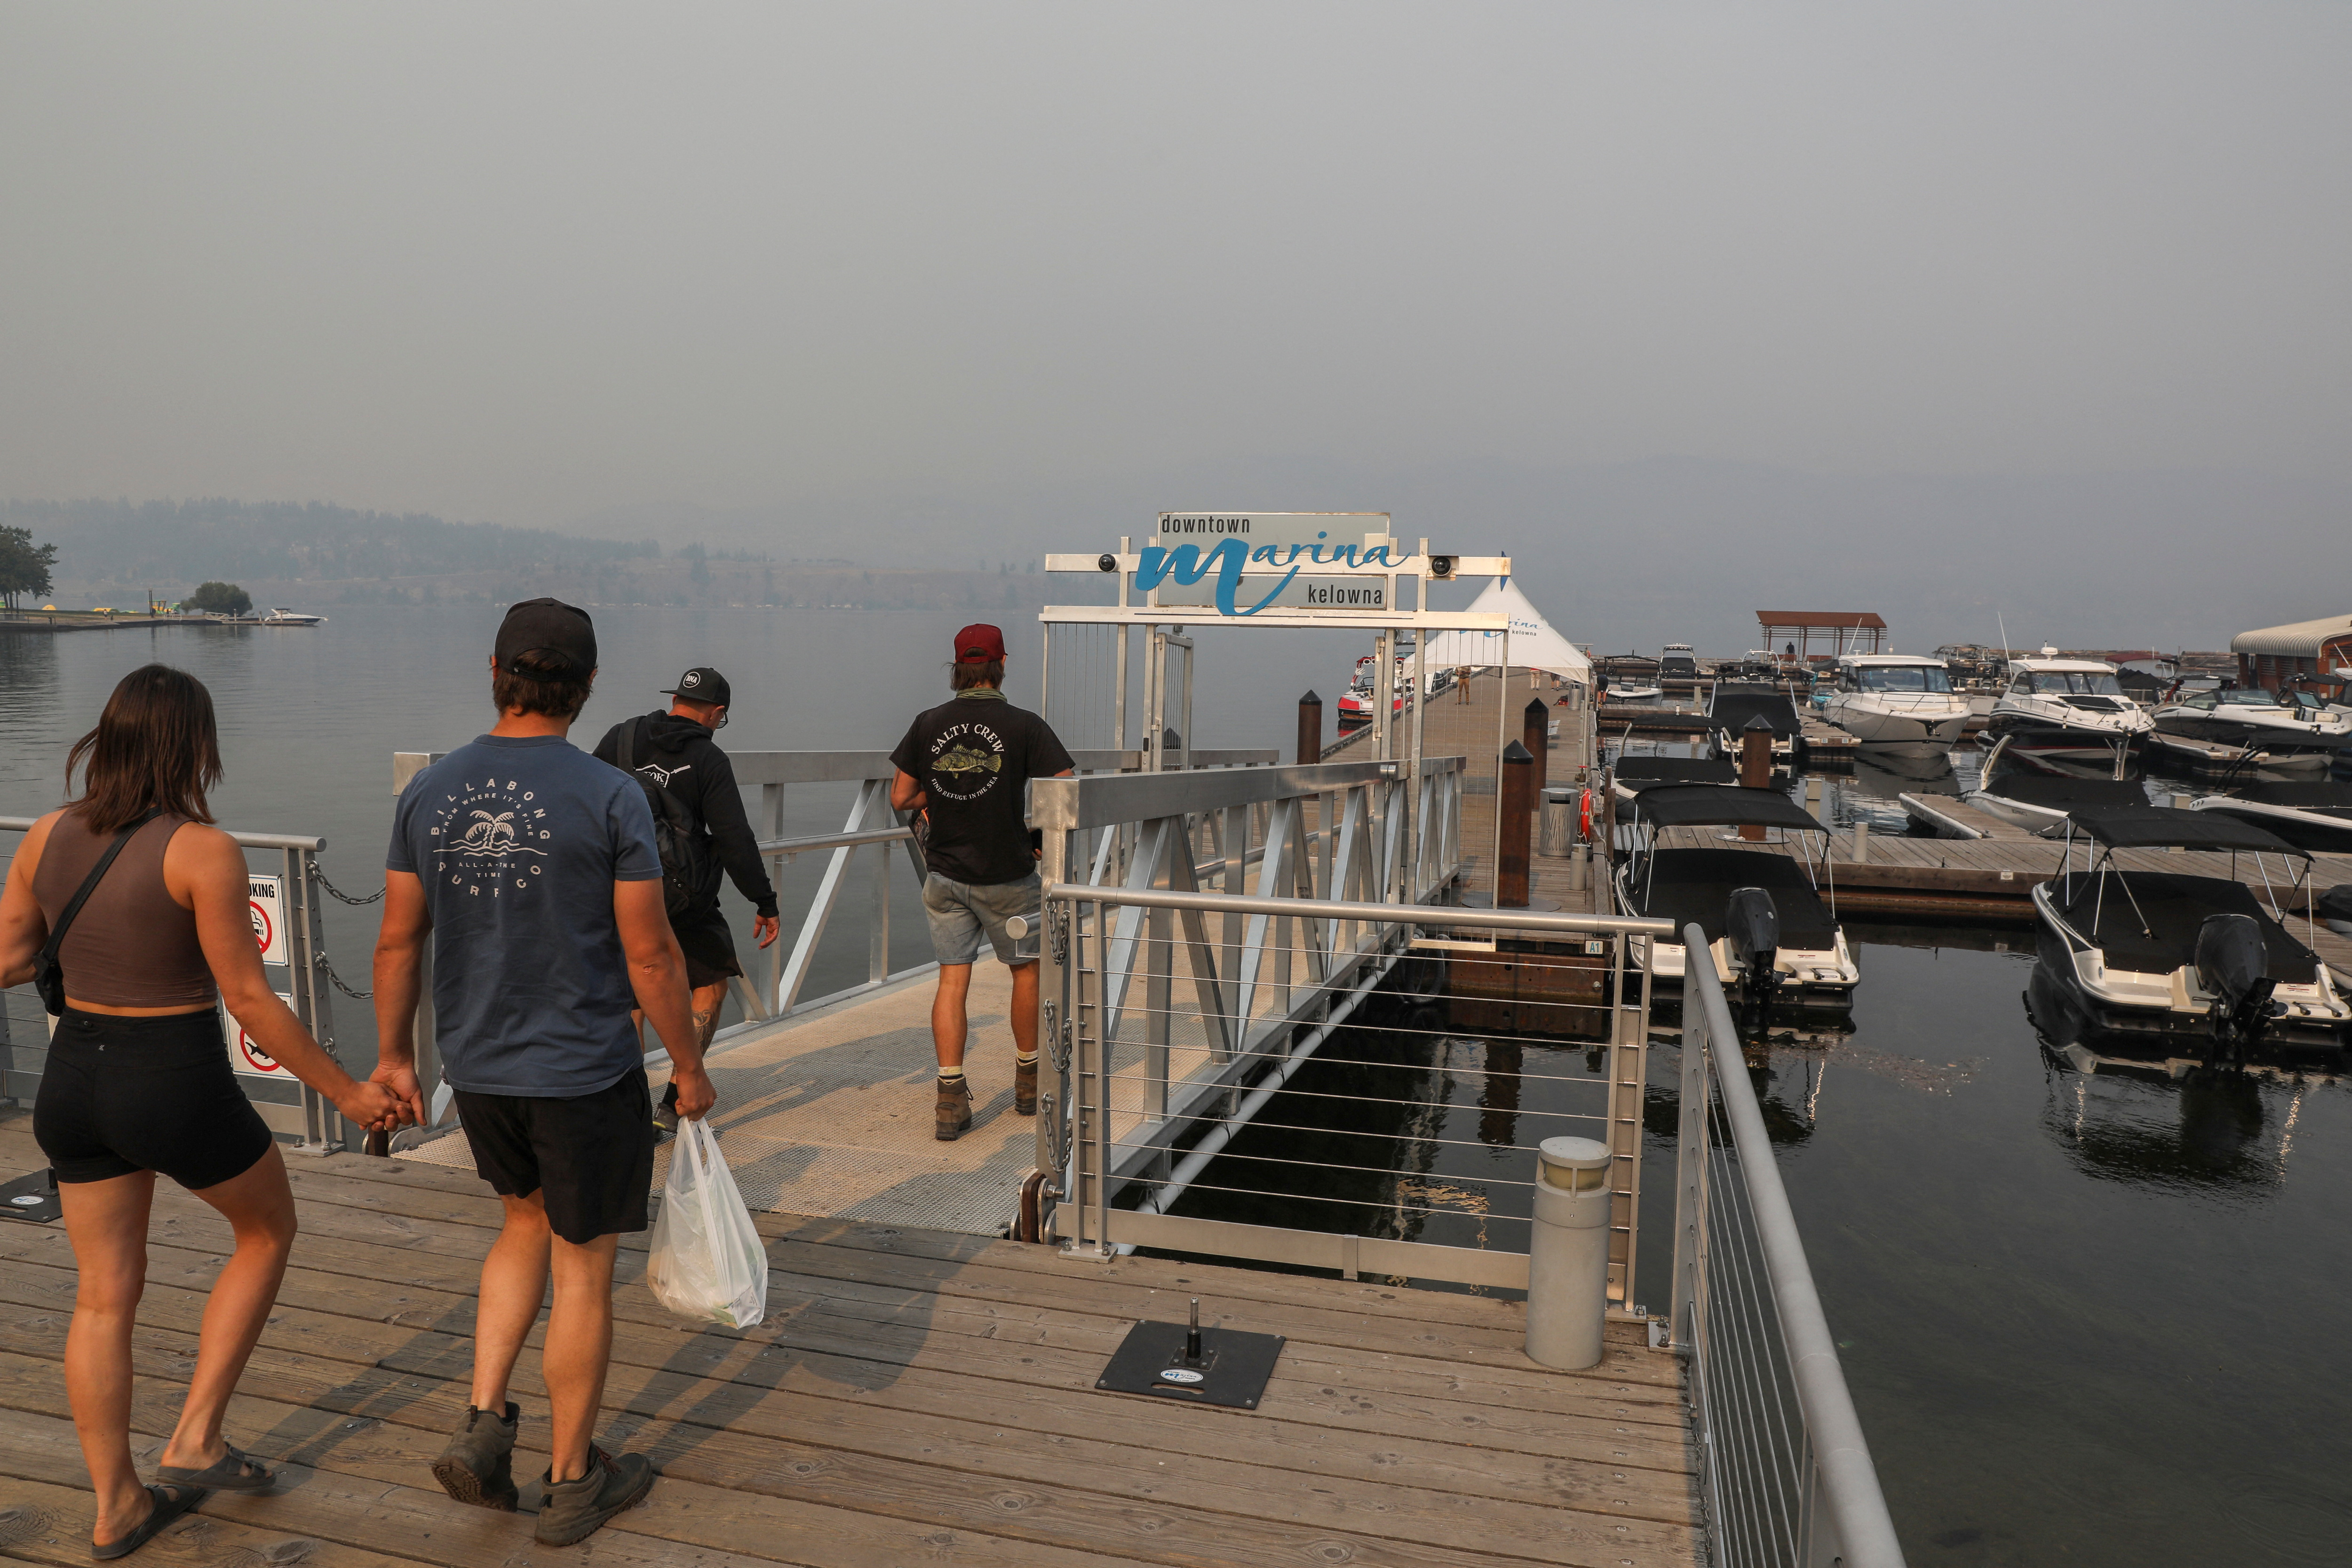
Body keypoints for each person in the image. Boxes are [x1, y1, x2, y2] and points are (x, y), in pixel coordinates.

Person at [0, 664, 408, 1559]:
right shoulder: (201, 850)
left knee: (103, 1295)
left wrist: (95, 938)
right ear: (195, 746)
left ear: (106, 738)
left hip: (72, 1079)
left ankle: (117, 1504)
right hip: (170, 1077)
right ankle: (195, 1438)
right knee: (265, 1229)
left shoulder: (44, 835)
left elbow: (9, 958)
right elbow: (250, 1003)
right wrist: (348, 1093)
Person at [368, 598, 714, 1547]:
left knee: (520, 1220)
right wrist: (688, 1064)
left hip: (477, 1066)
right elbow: (650, 956)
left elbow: (399, 938)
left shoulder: (431, 790)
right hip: (584, 1067)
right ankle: (570, 1482)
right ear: (589, 683)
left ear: (494, 670)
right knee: (585, 1267)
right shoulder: (611, 796)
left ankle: (486, 1423)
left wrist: (396, 1055)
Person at [889, 624, 1073, 1141]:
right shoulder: (1023, 725)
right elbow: (1064, 790)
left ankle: (949, 1098)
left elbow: (900, 798)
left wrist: (941, 794)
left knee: (952, 980)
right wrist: (1033, 829)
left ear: (956, 667)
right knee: (1026, 974)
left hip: (945, 877)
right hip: (1009, 876)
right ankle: (1027, 1081)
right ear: (1001, 663)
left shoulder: (928, 723)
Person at [590, 665, 780, 1128]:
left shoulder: (619, 738)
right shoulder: (708, 759)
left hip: (614, 888)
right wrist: (764, 901)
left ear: (675, 699)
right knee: (710, 984)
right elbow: (734, 837)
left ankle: (625, 1109)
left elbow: (584, 805)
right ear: (716, 714)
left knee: (629, 998)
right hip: (681, 898)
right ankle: (676, 1099)